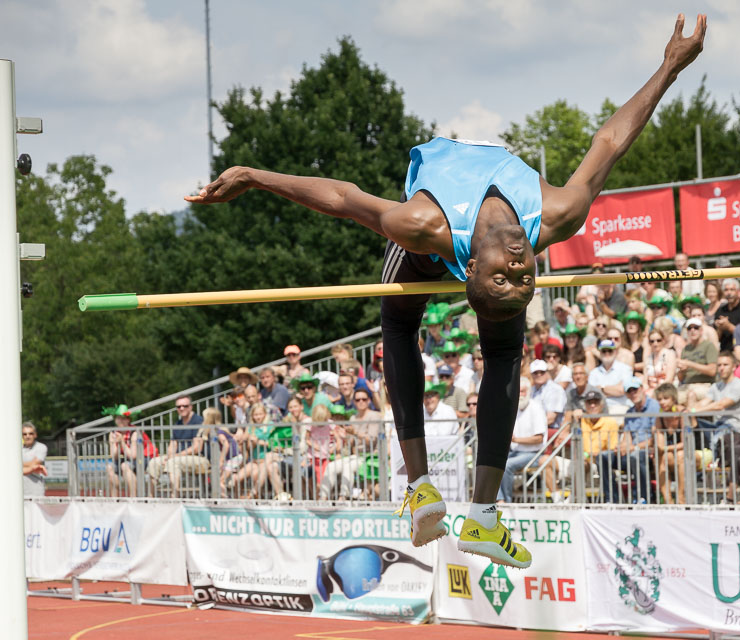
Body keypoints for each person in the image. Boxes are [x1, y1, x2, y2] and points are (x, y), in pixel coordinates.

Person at [186, 14, 707, 567]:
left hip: (433, 239)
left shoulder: (444, 234)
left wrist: (254, 175)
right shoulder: (548, 216)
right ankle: (426, 489)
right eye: (514, 274)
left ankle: (477, 515)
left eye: (512, 277)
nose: (515, 267)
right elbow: (610, 140)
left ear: (471, 274)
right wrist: (669, 66)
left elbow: (342, 196)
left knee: (459, 339)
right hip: (432, 241)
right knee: (438, 333)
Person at [598, 378, 658, 503]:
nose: (633, 393)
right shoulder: (629, 413)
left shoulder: (654, 406)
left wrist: (633, 447)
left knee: (635, 455)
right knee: (603, 456)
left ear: (642, 389)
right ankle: (612, 499)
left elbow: (656, 438)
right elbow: (626, 436)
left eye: (635, 389)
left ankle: (644, 497)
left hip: (649, 452)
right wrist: (621, 447)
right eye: (629, 391)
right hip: (633, 452)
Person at [147, 395, 208, 497]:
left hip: (199, 458)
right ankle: (151, 497)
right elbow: (172, 444)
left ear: (191, 406)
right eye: (178, 407)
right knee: (154, 462)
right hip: (179, 457)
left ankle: (174, 496)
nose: (181, 408)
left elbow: (197, 447)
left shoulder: (198, 421)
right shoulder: (178, 423)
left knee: (173, 462)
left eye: (185, 406)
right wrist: (168, 456)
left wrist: (175, 456)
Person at [498, 377, 547, 503]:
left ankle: (507, 501)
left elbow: (539, 439)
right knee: (493, 462)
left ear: (529, 392)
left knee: (507, 465)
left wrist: (516, 440)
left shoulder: (536, 408)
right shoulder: (513, 408)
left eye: (523, 391)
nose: (520, 394)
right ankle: (499, 500)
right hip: (515, 452)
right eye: (518, 391)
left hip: (534, 454)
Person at [22, 421, 47, 497]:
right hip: (20, 491)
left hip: (36, 491)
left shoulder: (41, 447)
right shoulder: (17, 449)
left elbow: (34, 464)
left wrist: (15, 465)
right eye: (25, 434)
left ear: (35, 435)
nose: (27, 436)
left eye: (30, 433)